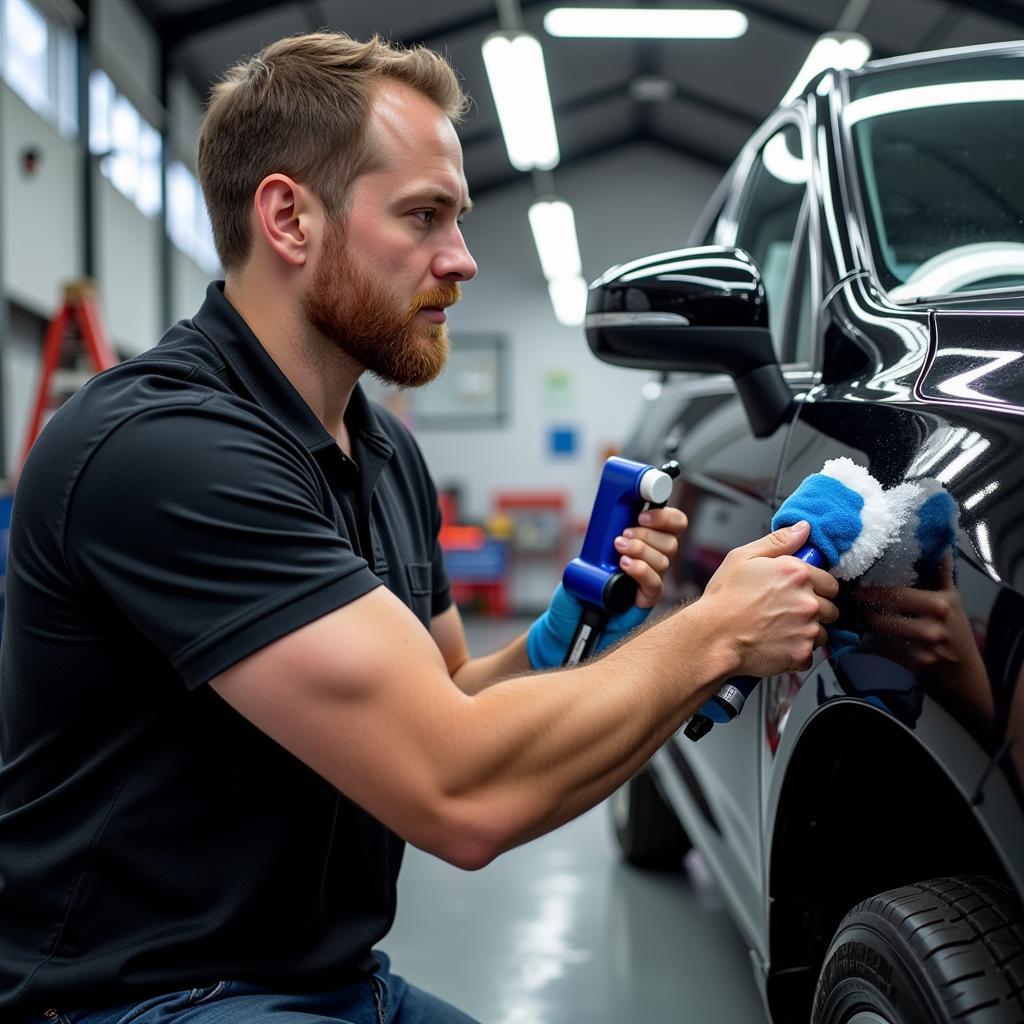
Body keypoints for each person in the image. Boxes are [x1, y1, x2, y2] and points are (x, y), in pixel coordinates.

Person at [0, 32, 839, 1024]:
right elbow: (460, 793)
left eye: (458, 217)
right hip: (140, 1000)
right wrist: (714, 636)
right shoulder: (163, 450)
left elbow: (442, 698)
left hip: (333, 981)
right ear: (288, 219)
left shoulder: (381, 453)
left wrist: (572, 630)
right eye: (423, 216)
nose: (463, 258)